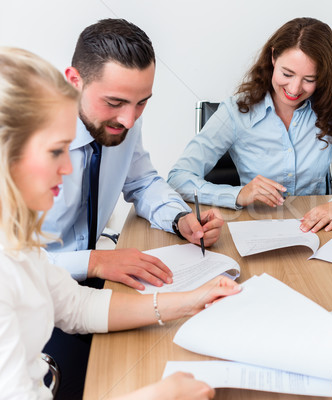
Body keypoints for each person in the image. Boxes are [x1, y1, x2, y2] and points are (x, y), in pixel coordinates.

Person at [0, 46, 240, 400]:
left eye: (141, 102)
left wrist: (193, 299)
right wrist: (157, 396)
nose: (68, 168)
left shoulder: (15, 241)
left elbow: (78, 306)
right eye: (55, 152)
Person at [42, 18, 224, 290]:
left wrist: (179, 219)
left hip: (86, 282)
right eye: (114, 103)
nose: (129, 120)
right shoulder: (20, 139)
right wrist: (93, 262)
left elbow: (142, 182)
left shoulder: (121, 121)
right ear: (74, 82)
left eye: (142, 103)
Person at [168, 17, 332, 233]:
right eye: (287, 74)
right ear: (272, 58)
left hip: (316, 229)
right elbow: (179, 177)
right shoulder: (236, 111)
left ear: (324, 77)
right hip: (255, 227)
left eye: (309, 79)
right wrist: (238, 195)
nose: (295, 88)